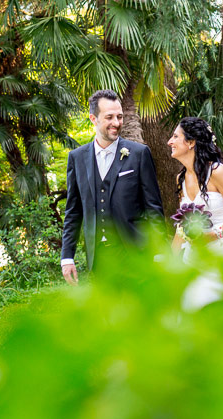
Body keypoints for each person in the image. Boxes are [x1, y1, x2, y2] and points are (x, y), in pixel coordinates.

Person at [61, 89, 165, 284]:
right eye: (109, 117)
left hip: (136, 255)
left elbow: (153, 208)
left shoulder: (139, 153)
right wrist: (67, 257)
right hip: (99, 262)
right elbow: (73, 212)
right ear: (94, 118)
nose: (116, 123)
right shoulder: (77, 158)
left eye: (119, 117)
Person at [167, 117, 223, 309]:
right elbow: (182, 223)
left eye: (175, 137)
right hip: (195, 263)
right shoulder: (180, 178)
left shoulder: (216, 172)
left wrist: (214, 235)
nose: (169, 142)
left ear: (191, 142)